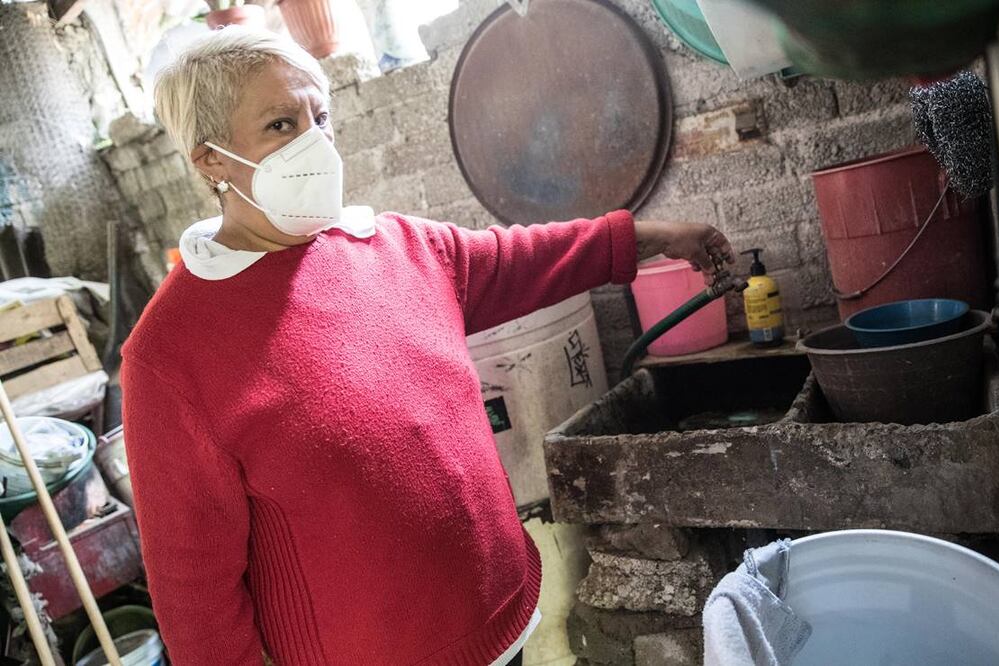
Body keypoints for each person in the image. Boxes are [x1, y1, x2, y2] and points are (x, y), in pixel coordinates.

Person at [122, 26, 733, 665]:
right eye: (280, 124)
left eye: (320, 116)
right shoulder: (171, 353)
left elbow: (525, 259)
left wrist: (648, 237)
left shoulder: (395, 247)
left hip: (501, 619)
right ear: (210, 159)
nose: (315, 142)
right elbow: (197, 598)